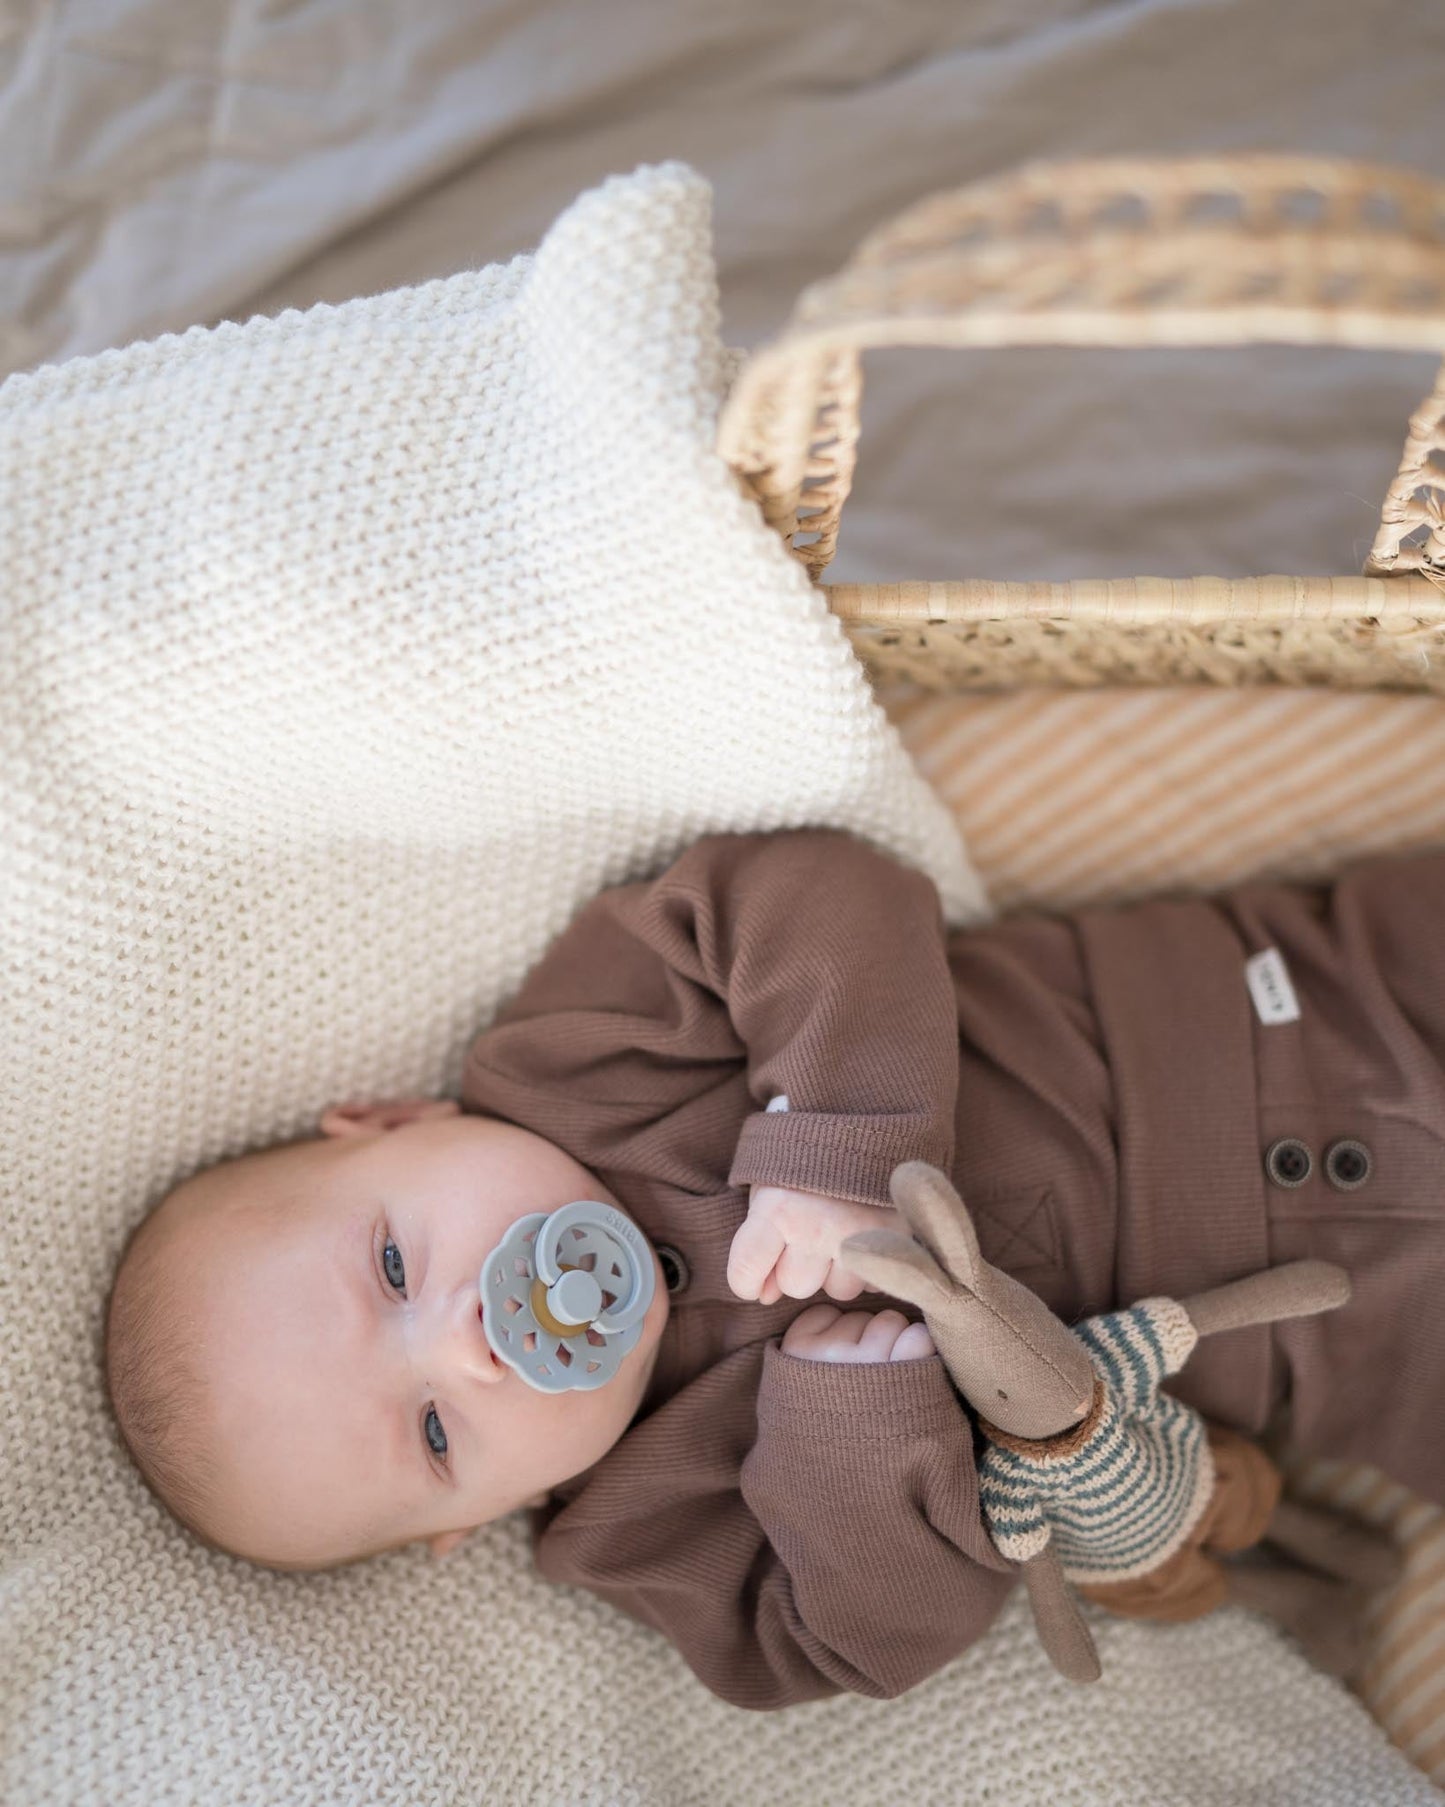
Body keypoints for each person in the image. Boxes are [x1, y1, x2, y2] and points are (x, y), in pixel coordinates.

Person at [103, 829, 1445, 1709]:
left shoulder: (581, 1054)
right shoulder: (645, 1533)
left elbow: (810, 893)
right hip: (1360, 1345)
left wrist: (831, 1142)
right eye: (439, 1431)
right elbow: (864, 1640)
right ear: (460, 1530)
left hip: (1308, 997)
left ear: (392, 1122)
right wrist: (847, 1428)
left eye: (395, 1263)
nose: (476, 1337)